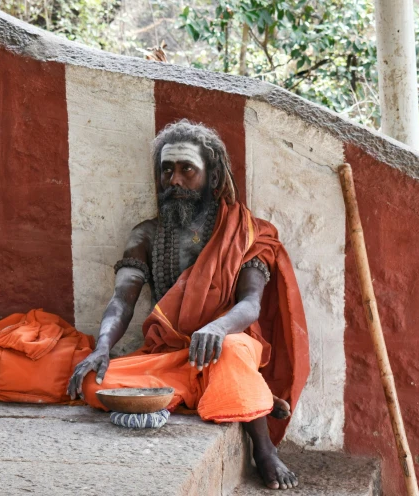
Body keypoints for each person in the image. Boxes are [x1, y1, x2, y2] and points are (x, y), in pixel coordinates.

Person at [67, 120, 309, 490]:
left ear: (211, 178)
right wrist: (102, 345)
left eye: (186, 169)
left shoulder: (245, 232)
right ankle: (237, 394)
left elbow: (251, 304)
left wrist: (217, 327)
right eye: (167, 170)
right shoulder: (145, 234)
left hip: (231, 341)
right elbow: (123, 298)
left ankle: (263, 449)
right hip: (174, 351)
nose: (174, 180)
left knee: (229, 354)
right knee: (93, 384)